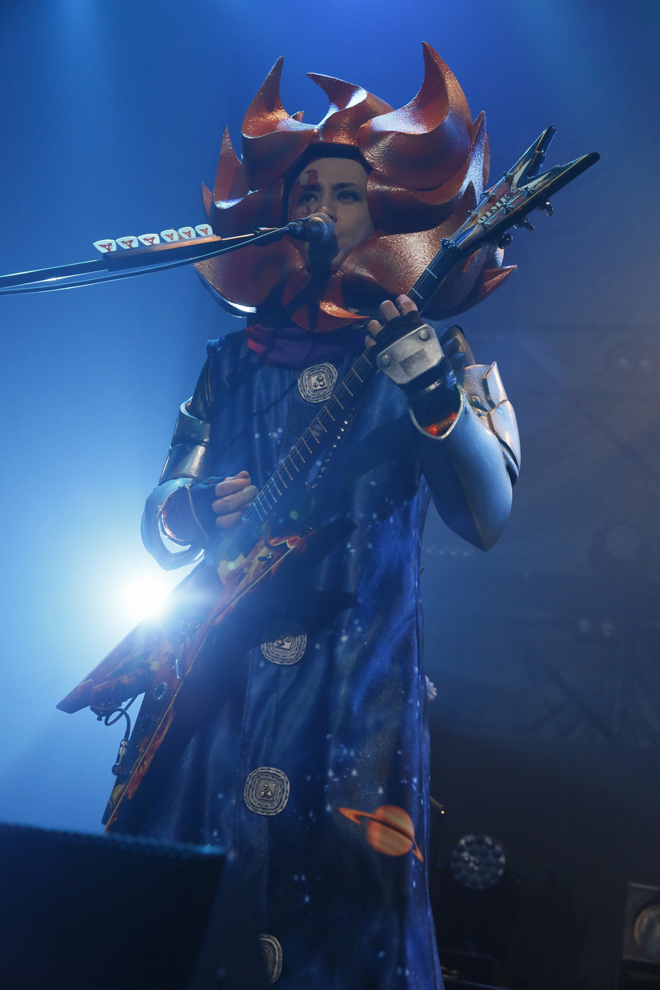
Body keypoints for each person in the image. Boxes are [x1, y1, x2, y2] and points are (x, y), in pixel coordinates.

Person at [110, 45, 522, 989]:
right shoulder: (233, 360)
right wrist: (190, 510)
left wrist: (433, 393)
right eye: (309, 195)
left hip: (354, 682)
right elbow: (160, 514)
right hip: (215, 672)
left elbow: (488, 513)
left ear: (386, 211)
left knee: (338, 922)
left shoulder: (435, 348)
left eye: (346, 194)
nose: (323, 210)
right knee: (183, 907)